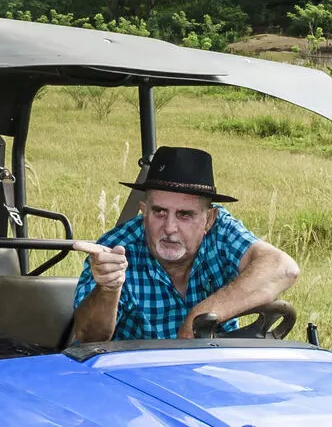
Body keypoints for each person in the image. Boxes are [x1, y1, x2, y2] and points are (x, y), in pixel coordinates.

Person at [71, 146, 300, 343]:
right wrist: (108, 289)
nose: (170, 228)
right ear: (143, 211)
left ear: (209, 219)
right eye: (159, 212)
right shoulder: (116, 248)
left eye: (184, 215)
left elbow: (283, 268)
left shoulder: (221, 231)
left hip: (211, 368)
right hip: (134, 378)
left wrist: (198, 317)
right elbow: (88, 338)